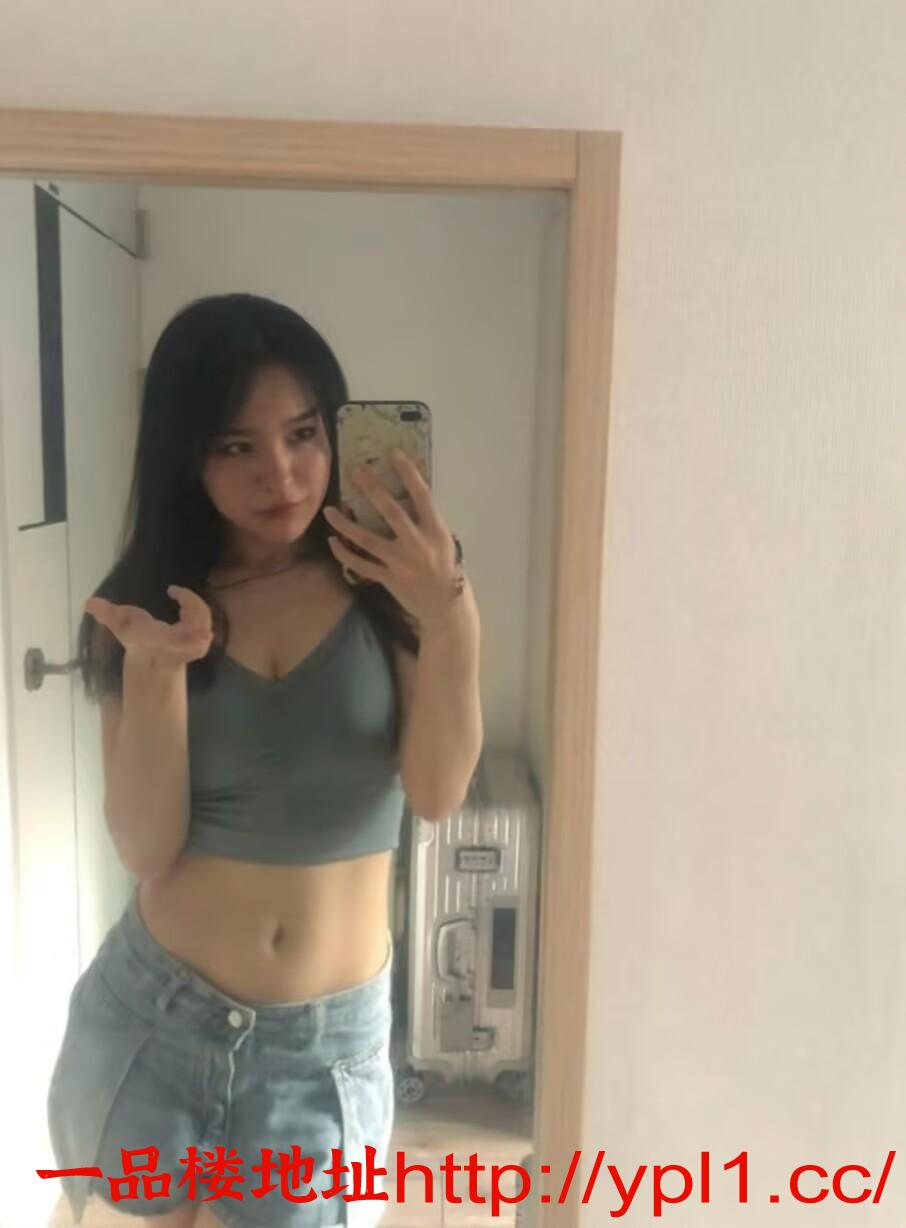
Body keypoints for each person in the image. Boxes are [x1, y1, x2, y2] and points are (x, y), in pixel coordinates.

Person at [45, 292, 483, 1228]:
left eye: (303, 433)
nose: (279, 474)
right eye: (235, 445)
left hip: (318, 1058)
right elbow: (145, 846)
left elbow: (439, 791)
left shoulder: (400, 586)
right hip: (153, 1022)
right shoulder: (148, 606)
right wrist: (156, 674)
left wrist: (449, 614)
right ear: (186, 453)